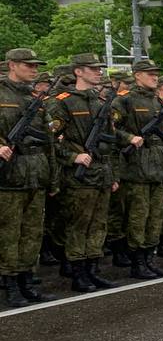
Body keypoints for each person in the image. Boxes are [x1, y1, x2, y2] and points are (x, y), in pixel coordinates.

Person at [45, 52, 118, 291]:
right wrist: (73, 156)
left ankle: (92, 268)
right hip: (79, 177)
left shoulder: (100, 102)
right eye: (92, 68)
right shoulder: (62, 102)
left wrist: (113, 175)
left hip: (101, 173)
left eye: (98, 68)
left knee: (98, 224)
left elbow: (111, 143)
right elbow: (52, 140)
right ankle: (78, 272)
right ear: (78, 71)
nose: (98, 72)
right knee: (79, 223)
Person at [111, 58, 163, 279]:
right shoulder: (124, 101)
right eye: (149, 73)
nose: (155, 77)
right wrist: (129, 138)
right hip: (136, 167)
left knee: (155, 216)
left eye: (156, 73)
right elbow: (111, 130)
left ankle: (149, 258)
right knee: (139, 216)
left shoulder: (159, 102)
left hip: (158, 165)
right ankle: (137, 261)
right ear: (137, 75)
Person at [0, 48, 55, 306]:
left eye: (36, 65)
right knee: (10, 232)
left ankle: (25, 279)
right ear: (12, 65)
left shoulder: (36, 98)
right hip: (9, 176)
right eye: (28, 65)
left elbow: (49, 141)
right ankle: (9, 284)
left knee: (32, 232)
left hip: (36, 172)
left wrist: (52, 176)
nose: (34, 69)